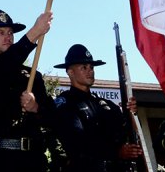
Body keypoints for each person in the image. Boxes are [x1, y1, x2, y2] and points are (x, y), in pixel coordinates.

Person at [0, 9, 55, 172]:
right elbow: (0, 70)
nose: (8, 37)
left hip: (33, 160)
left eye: (10, 32)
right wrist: (34, 33)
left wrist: (36, 108)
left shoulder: (32, 74)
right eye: (0, 33)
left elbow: (53, 117)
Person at [53, 44, 143, 172]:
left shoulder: (105, 104)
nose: (90, 71)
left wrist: (131, 113)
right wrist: (117, 152)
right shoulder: (65, 103)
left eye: (91, 67)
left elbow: (125, 132)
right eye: (84, 67)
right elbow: (78, 141)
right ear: (70, 72)